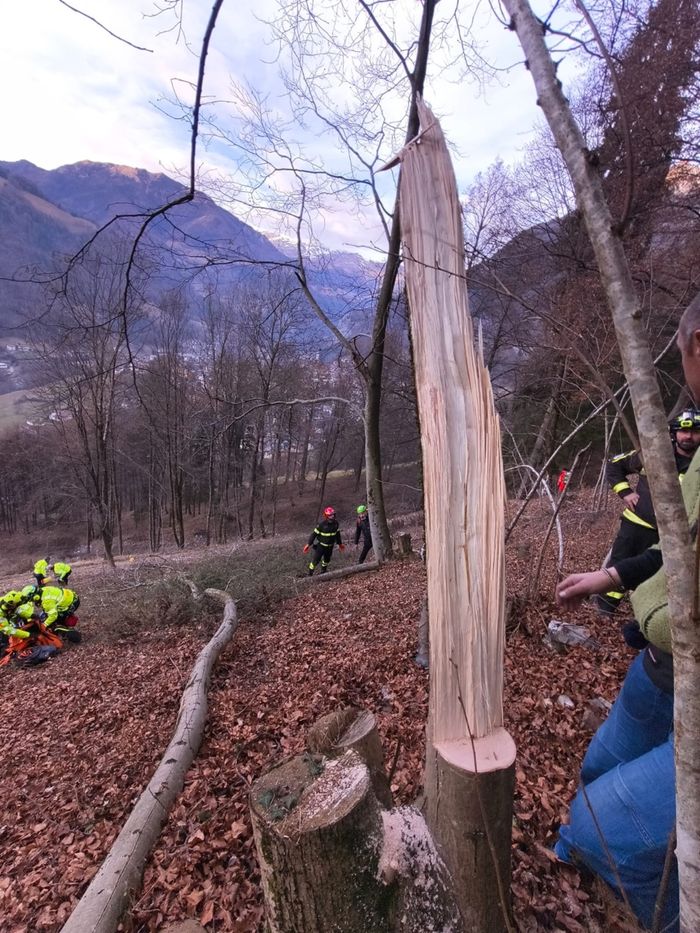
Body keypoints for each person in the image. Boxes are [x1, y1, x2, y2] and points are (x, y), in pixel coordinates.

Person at [552, 298, 700, 932]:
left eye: (683, 351)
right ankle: (584, 861)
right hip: (659, 665)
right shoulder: (680, 453)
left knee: (599, 825)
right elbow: (678, 539)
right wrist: (611, 576)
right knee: (598, 767)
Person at [595, 409, 700, 616]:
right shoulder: (654, 454)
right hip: (637, 525)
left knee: (659, 578)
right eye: (683, 431)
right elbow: (614, 465)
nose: (688, 436)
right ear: (674, 433)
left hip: (676, 535)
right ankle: (603, 614)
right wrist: (625, 493)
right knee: (618, 567)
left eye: (696, 431)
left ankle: (643, 618)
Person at [303, 506, 344, 575]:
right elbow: (314, 535)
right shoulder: (321, 525)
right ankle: (310, 574)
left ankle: (323, 572)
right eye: (330, 515)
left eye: (333, 514)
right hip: (321, 546)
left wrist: (340, 544)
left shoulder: (336, 524)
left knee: (327, 560)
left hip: (330, 546)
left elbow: (337, 534)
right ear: (326, 516)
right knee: (315, 560)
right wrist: (308, 544)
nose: (332, 516)